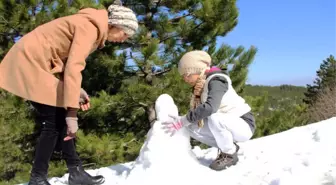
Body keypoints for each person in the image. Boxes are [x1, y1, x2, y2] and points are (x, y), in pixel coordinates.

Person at [0, 2, 138, 185]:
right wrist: (72, 112)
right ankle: (38, 178)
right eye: (125, 33)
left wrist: (76, 91)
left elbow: (65, 62)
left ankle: (76, 172)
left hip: (37, 64)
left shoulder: (91, 26)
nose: (124, 39)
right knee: (54, 120)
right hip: (28, 63)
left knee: (59, 117)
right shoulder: (89, 28)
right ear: (116, 25)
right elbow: (74, 67)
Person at [163, 50, 256, 171]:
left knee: (213, 117)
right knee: (189, 126)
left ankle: (229, 154)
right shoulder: (201, 84)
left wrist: (184, 119)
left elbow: (211, 107)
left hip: (243, 124)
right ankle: (229, 146)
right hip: (226, 123)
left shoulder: (217, 81)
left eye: (187, 74)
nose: (185, 79)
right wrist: (181, 122)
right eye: (183, 76)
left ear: (198, 70)